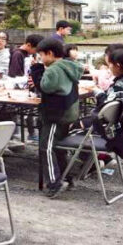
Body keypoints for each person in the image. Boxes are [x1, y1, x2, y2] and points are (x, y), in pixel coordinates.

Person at [35, 37, 85, 197]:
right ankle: (67, 178)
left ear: (50, 53)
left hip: (56, 115)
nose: (41, 59)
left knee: (46, 147)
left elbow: (45, 86)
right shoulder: (70, 65)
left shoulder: (53, 69)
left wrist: (37, 70)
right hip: (69, 112)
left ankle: (54, 183)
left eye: (41, 55)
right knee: (58, 148)